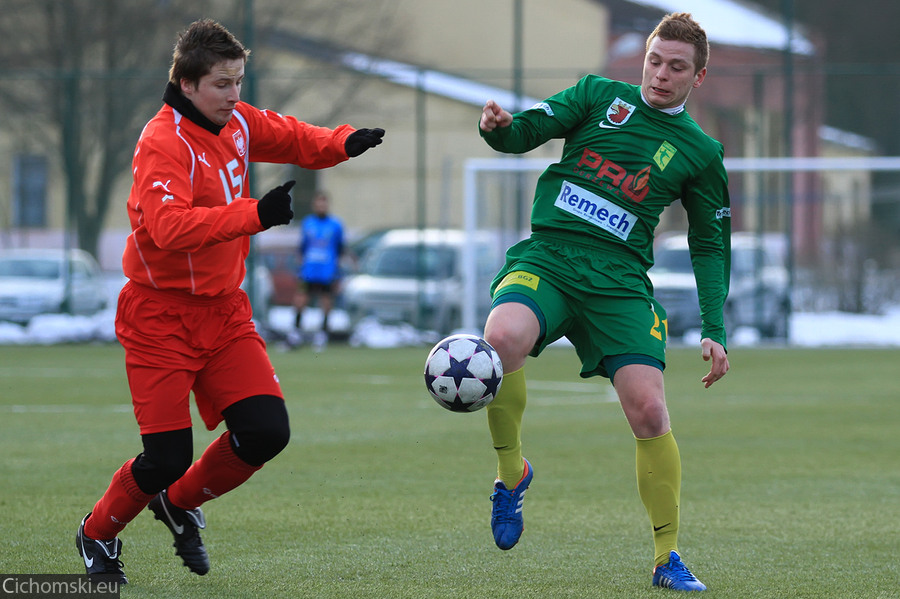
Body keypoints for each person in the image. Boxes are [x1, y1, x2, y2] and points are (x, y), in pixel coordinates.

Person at [75, 19, 384, 584]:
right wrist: (256, 214)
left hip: (224, 313)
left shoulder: (237, 122)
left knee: (267, 432)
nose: (235, 95)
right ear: (187, 84)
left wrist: (342, 142)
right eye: (222, 84)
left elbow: (289, 135)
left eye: (239, 81)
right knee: (163, 458)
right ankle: (96, 534)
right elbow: (168, 228)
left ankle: (178, 503)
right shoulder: (161, 142)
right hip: (158, 318)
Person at [477, 12, 729, 592]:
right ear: (643, 58)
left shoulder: (701, 152)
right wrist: (499, 127)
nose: (661, 75)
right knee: (500, 337)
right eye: (655, 61)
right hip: (552, 256)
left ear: (699, 77)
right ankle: (511, 473)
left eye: (677, 67)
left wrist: (714, 324)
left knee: (650, 412)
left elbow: (709, 243)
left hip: (619, 283)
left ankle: (668, 557)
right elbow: (526, 131)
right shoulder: (598, 95)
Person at [290, 190, 346, 350]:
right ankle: (295, 333)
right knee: (300, 300)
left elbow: (340, 249)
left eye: (324, 203)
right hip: (308, 271)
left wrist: (338, 270)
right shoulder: (308, 223)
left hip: (327, 271)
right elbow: (302, 247)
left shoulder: (335, 225)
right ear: (314, 205)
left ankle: (322, 335)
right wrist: (299, 265)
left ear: (327, 205)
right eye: (318, 203)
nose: (321, 206)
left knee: (326, 301)